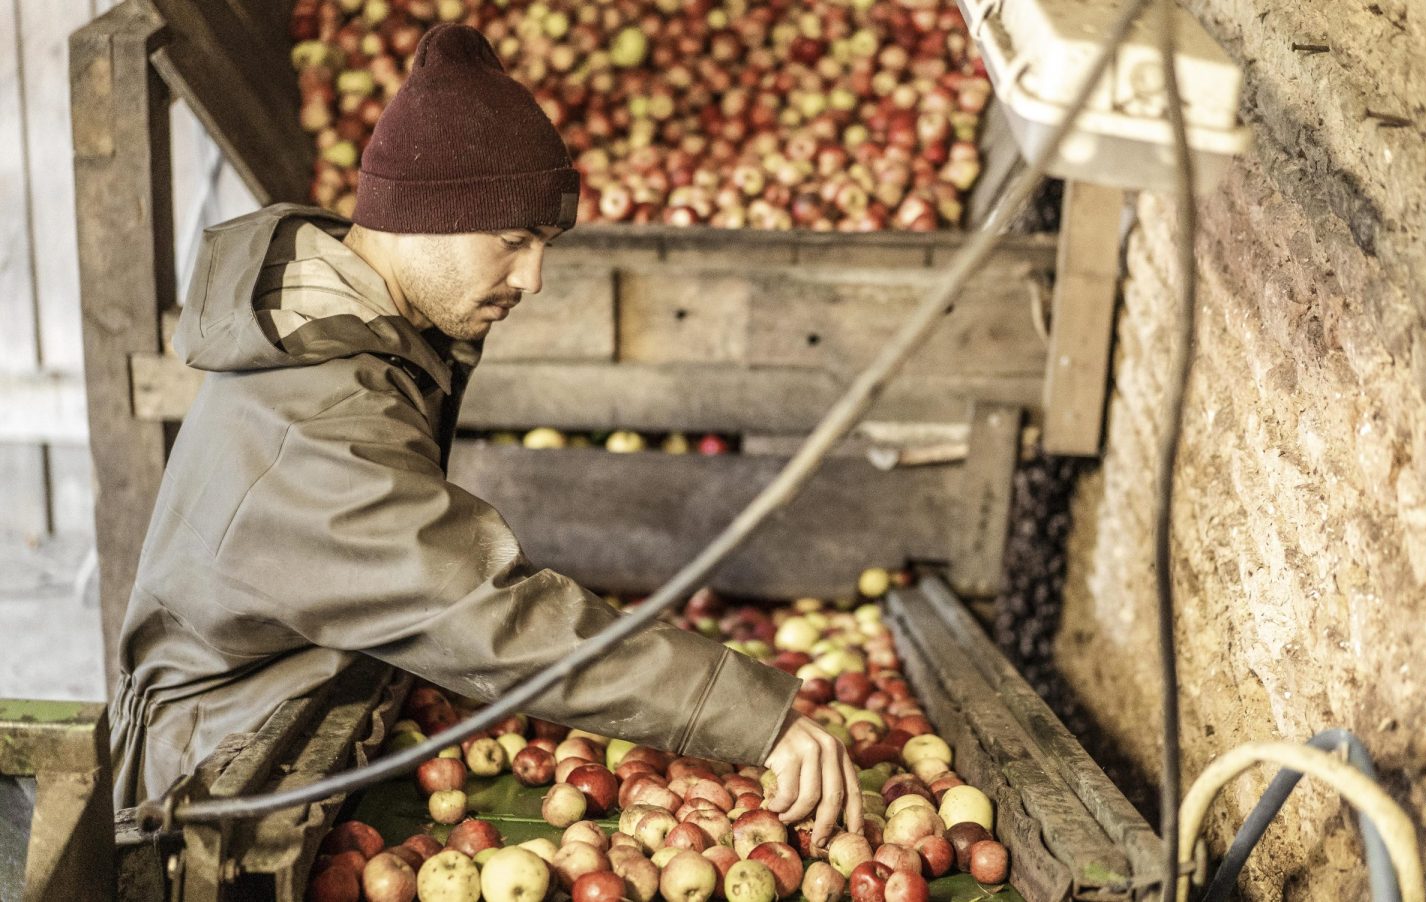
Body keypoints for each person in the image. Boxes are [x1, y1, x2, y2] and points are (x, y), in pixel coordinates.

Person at [109, 22, 862, 845]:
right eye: (513, 242)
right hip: (221, 778)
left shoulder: (357, 331)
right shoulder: (316, 417)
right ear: (422, 216)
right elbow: (489, 616)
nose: (532, 278)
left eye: (543, 245)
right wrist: (756, 717)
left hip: (308, 708)